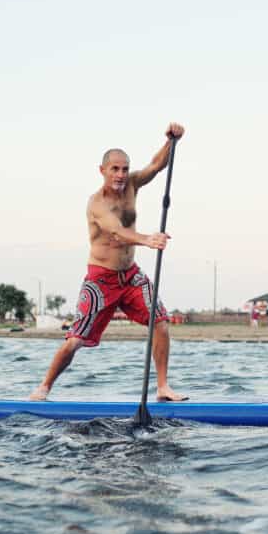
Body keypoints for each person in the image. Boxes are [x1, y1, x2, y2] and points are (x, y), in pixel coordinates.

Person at [31, 123, 187, 402]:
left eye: (125, 169)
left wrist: (171, 142)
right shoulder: (96, 203)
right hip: (100, 280)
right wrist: (147, 239)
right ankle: (43, 388)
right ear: (102, 170)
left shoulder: (132, 185)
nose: (121, 175)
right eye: (115, 169)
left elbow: (156, 166)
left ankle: (163, 387)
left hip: (130, 277)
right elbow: (115, 230)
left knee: (161, 322)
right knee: (75, 340)